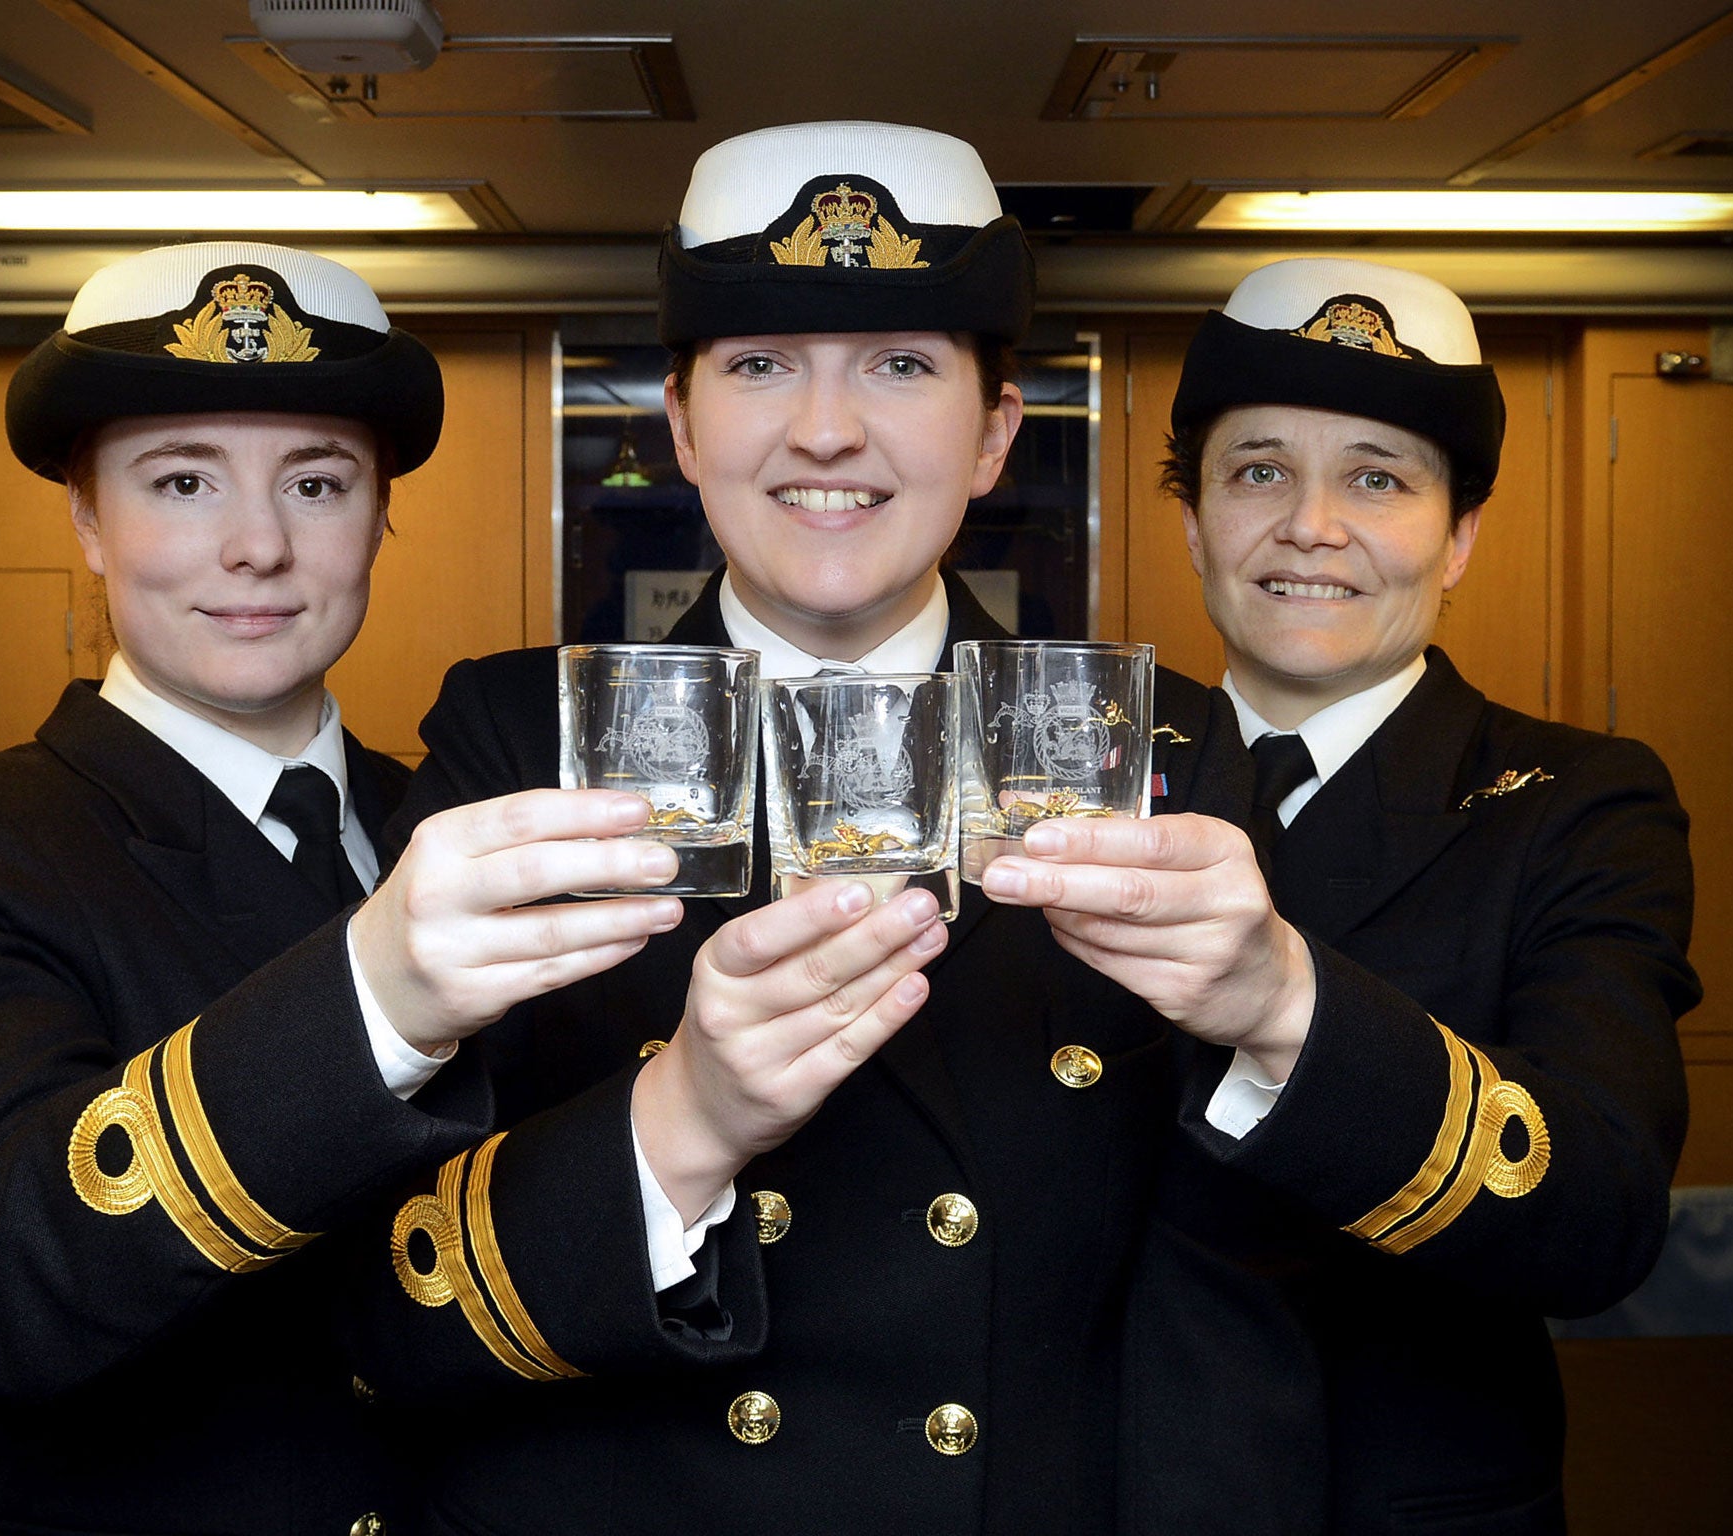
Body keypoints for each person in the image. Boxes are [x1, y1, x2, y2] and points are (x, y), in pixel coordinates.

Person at [341, 120, 1295, 1536]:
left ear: (993, 434)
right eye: (760, 365)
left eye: (900, 366)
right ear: (679, 426)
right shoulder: (513, 746)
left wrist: (1277, 1017)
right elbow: (388, 1307)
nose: (827, 430)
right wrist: (686, 1132)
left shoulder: (1156, 755)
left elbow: (1228, 1300)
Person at [0, 241, 685, 1535]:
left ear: (383, 511)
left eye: (318, 482)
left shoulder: (461, 825)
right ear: (83, 516)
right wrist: (378, 991)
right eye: (181, 481)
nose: (258, 547)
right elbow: (6, 1281)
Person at [1090, 258, 1698, 1534]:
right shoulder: (1077, 780)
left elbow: (1597, 1217)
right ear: (1193, 524)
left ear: (1459, 535)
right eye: (1258, 469)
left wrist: (1284, 1006)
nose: (1310, 525)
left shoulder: (1571, 804)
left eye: (1377, 477)